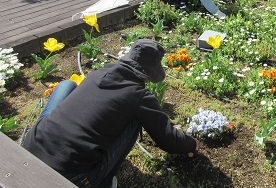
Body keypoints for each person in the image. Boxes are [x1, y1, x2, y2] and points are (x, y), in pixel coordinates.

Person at [22, 39, 197, 188]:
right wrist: (191, 144)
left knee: (67, 86)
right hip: (72, 173)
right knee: (135, 120)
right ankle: (105, 182)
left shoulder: (100, 72)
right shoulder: (138, 95)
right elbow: (168, 140)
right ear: (148, 74)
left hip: (31, 145)